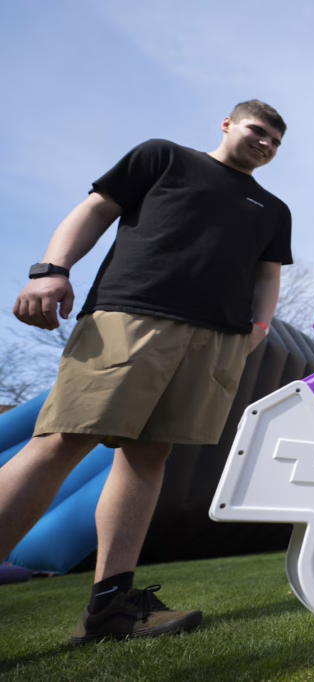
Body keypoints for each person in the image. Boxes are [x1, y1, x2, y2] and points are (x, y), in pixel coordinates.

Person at [1, 100, 292, 644]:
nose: (266, 144)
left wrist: (256, 329)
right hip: (133, 314)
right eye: (258, 131)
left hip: (215, 340)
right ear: (227, 124)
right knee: (64, 439)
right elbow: (95, 209)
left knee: (150, 456)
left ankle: (109, 609)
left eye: (276, 142)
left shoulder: (273, 209)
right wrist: (51, 270)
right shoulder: (163, 157)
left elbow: (267, 275)